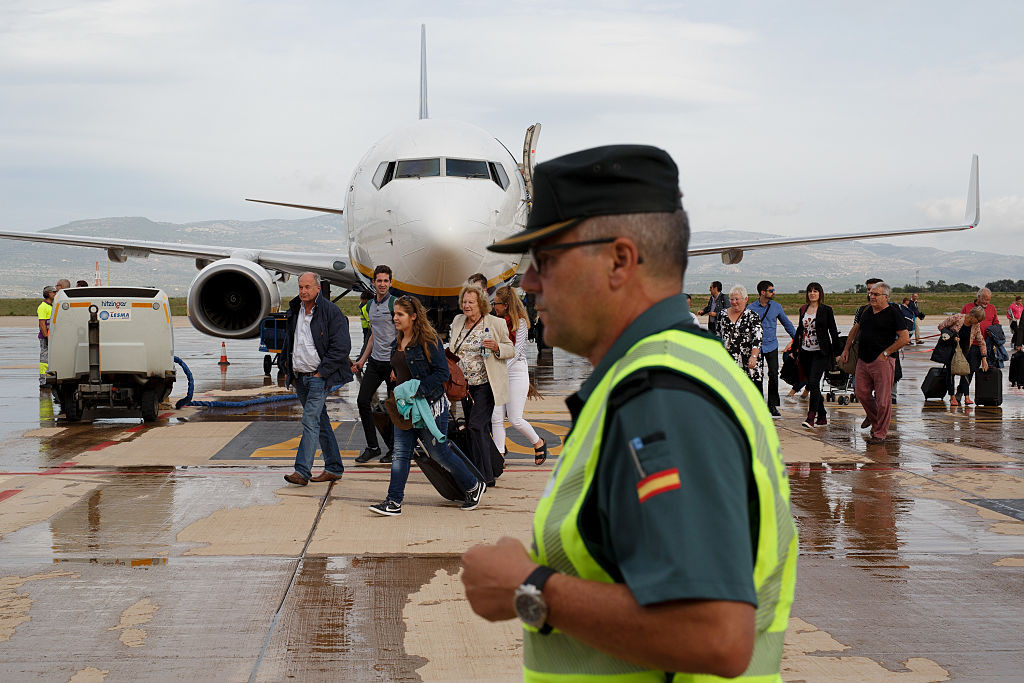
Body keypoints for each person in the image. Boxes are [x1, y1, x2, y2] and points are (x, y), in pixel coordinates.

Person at [461, 145, 796, 680]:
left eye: (544, 259)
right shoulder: (676, 369)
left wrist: (529, 590)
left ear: (619, 260)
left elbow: (714, 636)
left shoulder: (662, 395)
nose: (525, 282)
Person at [368, 296, 486, 515]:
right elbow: (401, 364)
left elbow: (442, 373)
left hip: (429, 406)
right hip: (406, 409)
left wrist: (417, 388)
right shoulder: (399, 339)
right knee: (400, 454)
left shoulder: (429, 340)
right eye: (394, 314)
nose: (395, 318)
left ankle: (473, 485)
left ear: (413, 317)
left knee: (439, 453)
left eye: (400, 314)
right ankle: (393, 501)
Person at [280, 272, 353, 485]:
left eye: (307, 287)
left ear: (318, 289)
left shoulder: (331, 312)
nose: (303, 291)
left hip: (318, 378)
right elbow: (290, 342)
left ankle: (302, 471)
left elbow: (342, 347)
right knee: (320, 422)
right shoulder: (295, 310)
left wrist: (322, 372)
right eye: (300, 287)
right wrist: (287, 367)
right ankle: (334, 467)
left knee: (310, 420)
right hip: (300, 377)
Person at [449, 283, 513, 486]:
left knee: (476, 426)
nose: (466, 305)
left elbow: (510, 348)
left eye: (471, 302)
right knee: (479, 429)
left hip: (486, 385)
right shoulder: (458, 320)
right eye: (464, 301)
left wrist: (496, 347)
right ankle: (489, 471)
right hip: (465, 387)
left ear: (481, 303)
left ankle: (481, 475)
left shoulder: (495, 323)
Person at [840, 282, 909, 443]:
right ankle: (873, 417)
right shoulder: (866, 311)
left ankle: (879, 433)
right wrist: (846, 349)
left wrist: (886, 353)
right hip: (863, 360)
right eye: (871, 294)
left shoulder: (893, 313)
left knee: (883, 400)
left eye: (876, 294)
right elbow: (855, 329)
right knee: (861, 392)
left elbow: (905, 337)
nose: (871, 297)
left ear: (886, 297)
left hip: (882, 361)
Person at [490, 286, 549, 465]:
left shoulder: (521, 323)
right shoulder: (494, 321)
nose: (494, 306)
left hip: (515, 372)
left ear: (506, 305)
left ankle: (538, 442)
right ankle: (499, 455)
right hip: (499, 372)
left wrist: (497, 370)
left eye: (497, 304)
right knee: (496, 417)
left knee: (515, 418)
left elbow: (515, 353)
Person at [352, 265, 398, 464]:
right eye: (379, 281)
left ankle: (395, 449)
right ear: (373, 282)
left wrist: (397, 366)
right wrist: (361, 360)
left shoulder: (395, 304)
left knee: (395, 409)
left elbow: (403, 335)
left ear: (390, 282)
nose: (382, 284)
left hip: (392, 365)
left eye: (386, 281)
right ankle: (373, 447)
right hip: (375, 363)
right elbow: (373, 336)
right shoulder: (370, 305)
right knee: (363, 401)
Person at [793, 282, 840, 429]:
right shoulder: (804, 309)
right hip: (806, 351)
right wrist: (794, 348)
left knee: (813, 382)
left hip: (821, 352)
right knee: (813, 385)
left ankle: (811, 416)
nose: (812, 293)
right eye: (810, 291)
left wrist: (837, 353)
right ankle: (823, 414)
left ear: (820, 293)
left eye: (815, 291)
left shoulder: (826, 310)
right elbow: (800, 330)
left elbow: (833, 331)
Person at [747, 280, 796, 417]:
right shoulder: (751, 308)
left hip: (772, 345)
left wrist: (797, 340)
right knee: (757, 376)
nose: (774, 292)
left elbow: (787, 324)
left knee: (773, 374)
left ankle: (772, 405)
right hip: (756, 347)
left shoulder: (776, 307)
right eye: (771, 290)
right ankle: (758, 404)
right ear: (763, 292)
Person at [937, 308, 989, 406]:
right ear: (972, 316)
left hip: (965, 351)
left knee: (966, 372)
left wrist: (984, 358)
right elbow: (941, 326)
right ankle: (952, 397)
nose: (978, 323)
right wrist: (951, 336)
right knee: (950, 372)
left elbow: (981, 341)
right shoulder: (957, 318)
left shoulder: (975, 325)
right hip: (951, 349)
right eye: (978, 320)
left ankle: (967, 397)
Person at [717, 285, 763, 387]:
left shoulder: (752, 316)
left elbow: (758, 338)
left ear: (746, 299)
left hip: (749, 361)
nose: (734, 302)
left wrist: (754, 356)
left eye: (737, 299)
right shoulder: (722, 314)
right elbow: (718, 335)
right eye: (732, 299)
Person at [37, 285, 56, 388]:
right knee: (44, 360)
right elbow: (42, 323)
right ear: (48, 293)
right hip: (46, 337)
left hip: (51, 337)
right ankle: (43, 381)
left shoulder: (51, 306)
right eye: (53, 292)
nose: (55, 294)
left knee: (50, 359)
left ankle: (49, 378)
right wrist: (46, 336)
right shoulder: (43, 307)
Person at [357, 289, 372, 359]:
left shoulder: (366, 307)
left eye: (363, 299)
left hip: (369, 328)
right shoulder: (364, 306)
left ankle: (360, 359)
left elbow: (370, 321)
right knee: (367, 344)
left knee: (366, 344)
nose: (361, 301)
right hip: (366, 328)